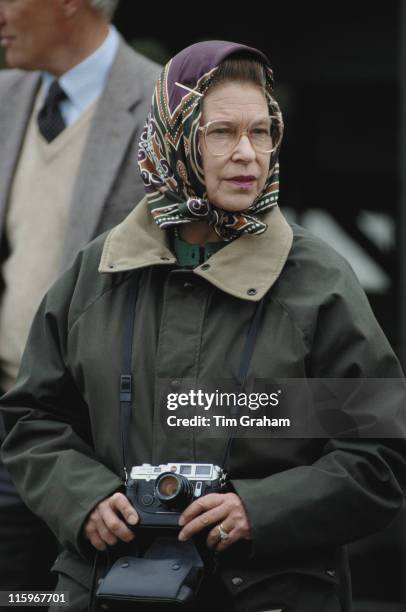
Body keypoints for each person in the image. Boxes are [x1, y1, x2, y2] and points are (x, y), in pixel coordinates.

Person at [1, 40, 405, 612]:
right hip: (107, 589)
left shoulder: (320, 285)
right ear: (173, 135)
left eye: (261, 132)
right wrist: (84, 499)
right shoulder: (97, 274)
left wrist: (256, 509)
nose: (247, 154)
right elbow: (34, 419)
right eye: (220, 132)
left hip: (271, 593)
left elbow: (376, 456)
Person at [0, 0, 160, 594]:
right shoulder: (7, 97)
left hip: (110, 450)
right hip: (15, 425)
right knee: (17, 597)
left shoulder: (166, 102)